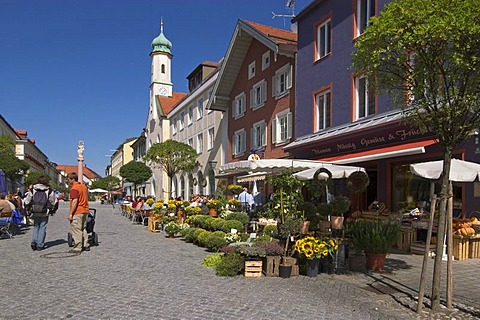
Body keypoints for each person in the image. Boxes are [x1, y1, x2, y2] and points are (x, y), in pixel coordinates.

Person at [24, 175, 56, 251]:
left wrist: (27, 207)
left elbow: (28, 199)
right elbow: (52, 200)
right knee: (43, 226)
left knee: (36, 226)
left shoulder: (33, 188)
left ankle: (34, 242)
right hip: (44, 210)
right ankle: (40, 244)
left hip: (35, 210)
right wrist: (51, 208)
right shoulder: (49, 190)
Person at [66, 172, 90, 253]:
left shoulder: (74, 189)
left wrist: (71, 213)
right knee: (83, 228)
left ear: (72, 179)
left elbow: (75, 201)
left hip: (78, 211)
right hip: (85, 210)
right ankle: (85, 244)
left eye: (68, 179)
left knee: (76, 229)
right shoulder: (83, 187)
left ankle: (78, 246)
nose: (67, 181)